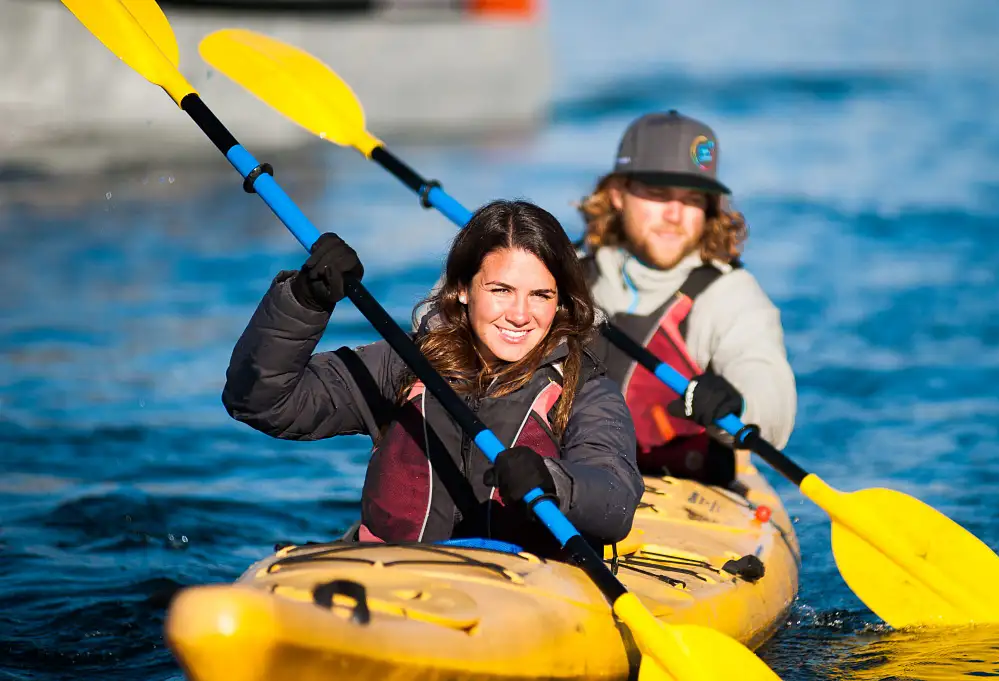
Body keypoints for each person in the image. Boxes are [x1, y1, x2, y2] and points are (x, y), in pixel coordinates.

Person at [221, 199, 644, 555]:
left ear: (561, 302)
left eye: (540, 295)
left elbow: (615, 499)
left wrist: (553, 481)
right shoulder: (405, 365)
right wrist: (305, 300)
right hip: (390, 578)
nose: (520, 314)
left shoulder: (585, 390)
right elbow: (261, 400)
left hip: (521, 597)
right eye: (500, 290)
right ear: (462, 289)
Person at [576, 110, 797, 484]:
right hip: (570, 481)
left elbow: (771, 395)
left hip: (686, 492)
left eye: (692, 199)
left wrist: (739, 404)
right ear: (617, 194)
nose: (675, 214)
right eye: (659, 195)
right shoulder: (561, 277)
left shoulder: (729, 295)